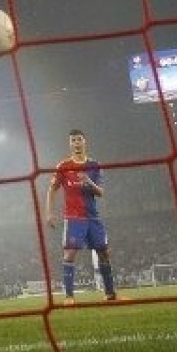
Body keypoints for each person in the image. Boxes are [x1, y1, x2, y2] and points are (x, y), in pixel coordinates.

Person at [43, 128, 118, 304]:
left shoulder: (94, 165)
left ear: (84, 142)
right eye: (73, 140)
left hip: (93, 217)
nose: (76, 143)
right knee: (69, 254)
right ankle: (69, 296)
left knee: (104, 252)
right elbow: (52, 190)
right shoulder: (63, 166)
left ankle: (110, 293)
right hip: (74, 218)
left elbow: (100, 193)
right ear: (70, 144)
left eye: (79, 139)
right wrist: (49, 213)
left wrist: (89, 182)